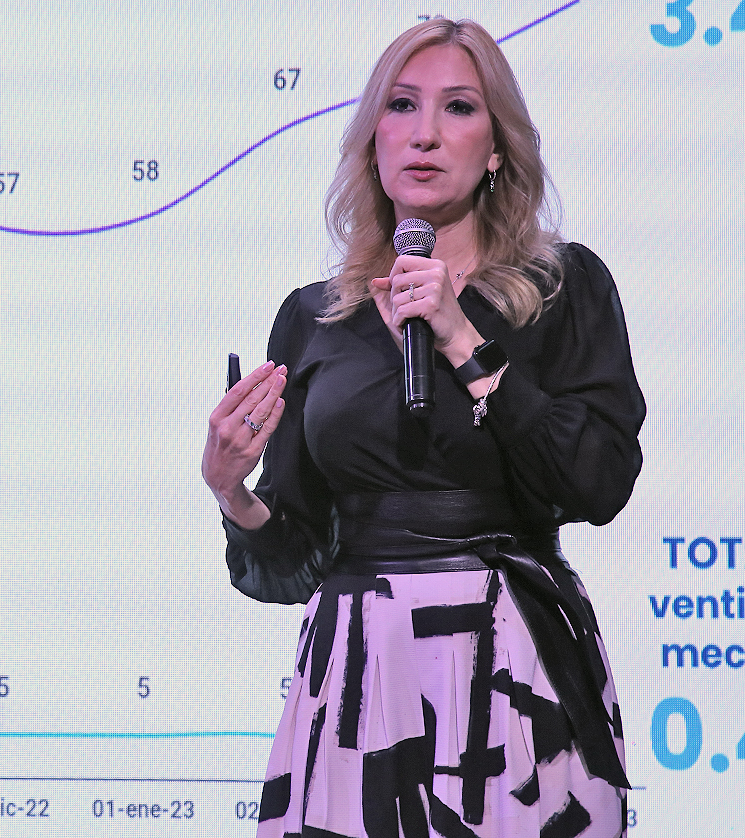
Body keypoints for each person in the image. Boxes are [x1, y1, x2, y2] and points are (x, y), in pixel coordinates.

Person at [201, 18, 644, 838]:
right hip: (360, 671)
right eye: (401, 106)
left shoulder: (562, 287)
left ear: (498, 149)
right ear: (373, 141)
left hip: (509, 655)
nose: (425, 133)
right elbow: (295, 562)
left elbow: (600, 481)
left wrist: (464, 340)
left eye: (459, 107)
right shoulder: (314, 319)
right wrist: (235, 493)